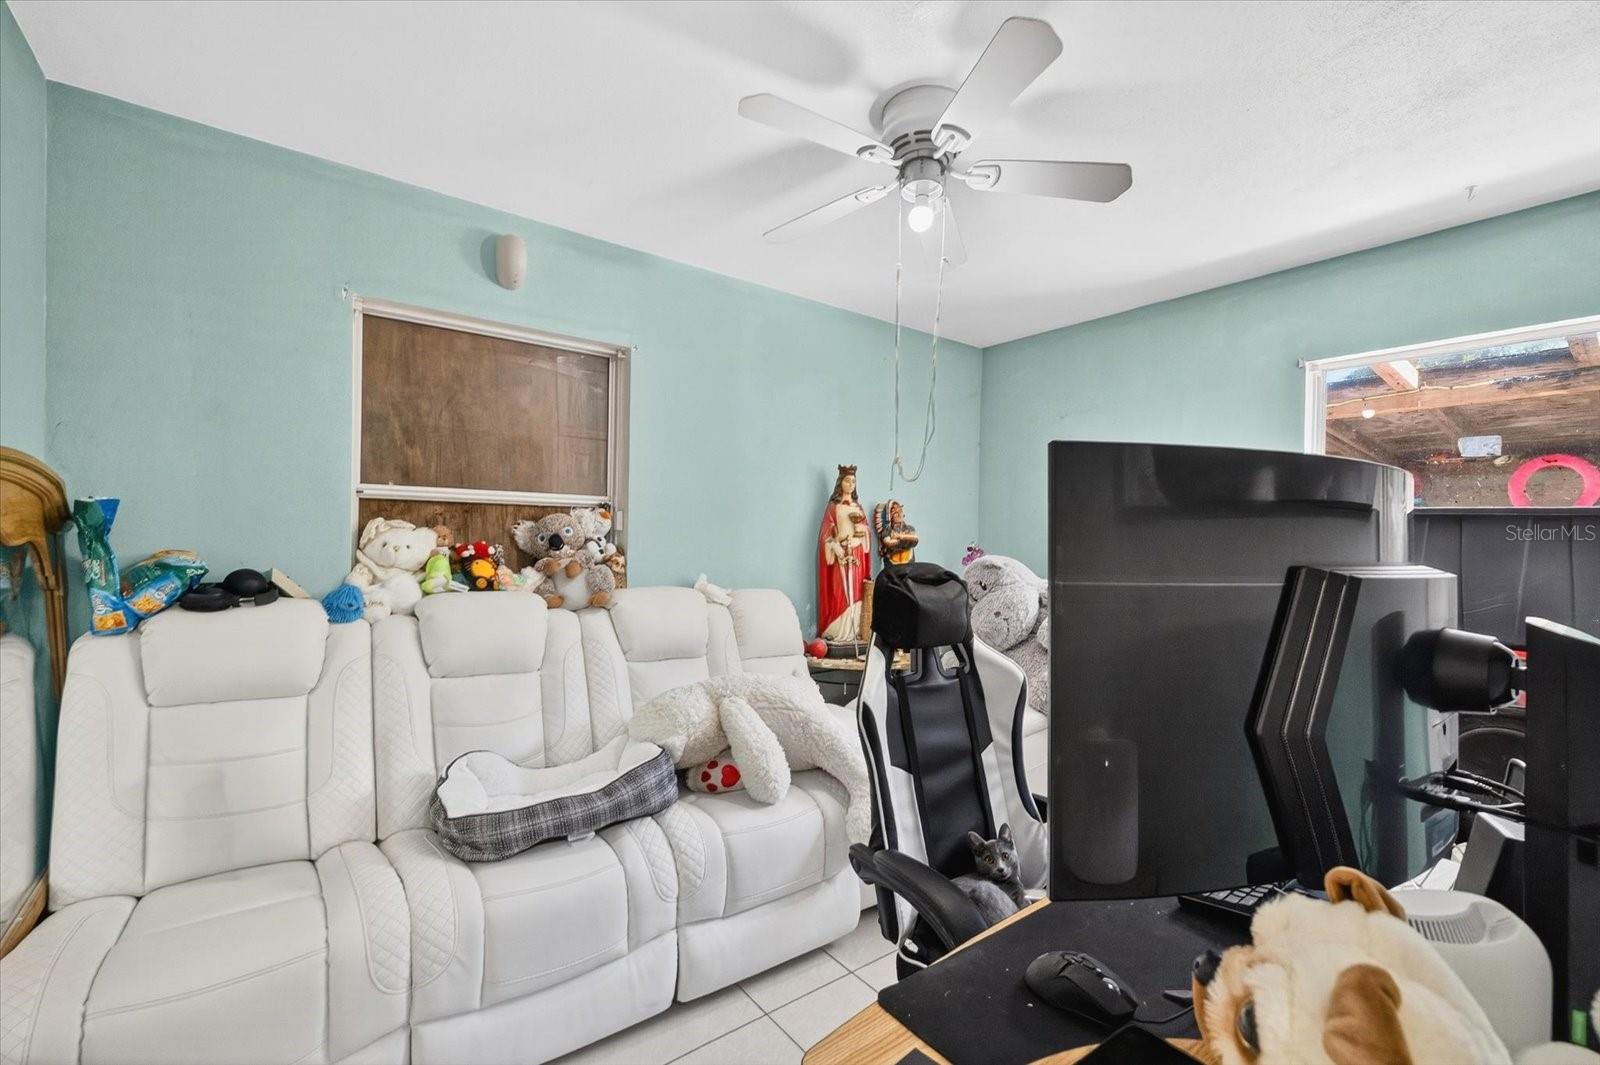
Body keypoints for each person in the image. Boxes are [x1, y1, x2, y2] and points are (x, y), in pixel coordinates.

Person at [817, 464, 871, 641]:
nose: (851, 484)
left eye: (853, 481)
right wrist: (835, 546)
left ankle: (854, 632)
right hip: (840, 556)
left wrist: (862, 532)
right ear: (840, 482)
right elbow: (826, 533)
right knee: (839, 591)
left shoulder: (859, 508)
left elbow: (866, 532)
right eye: (847, 481)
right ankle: (838, 632)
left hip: (856, 555)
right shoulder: (833, 507)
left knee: (856, 591)